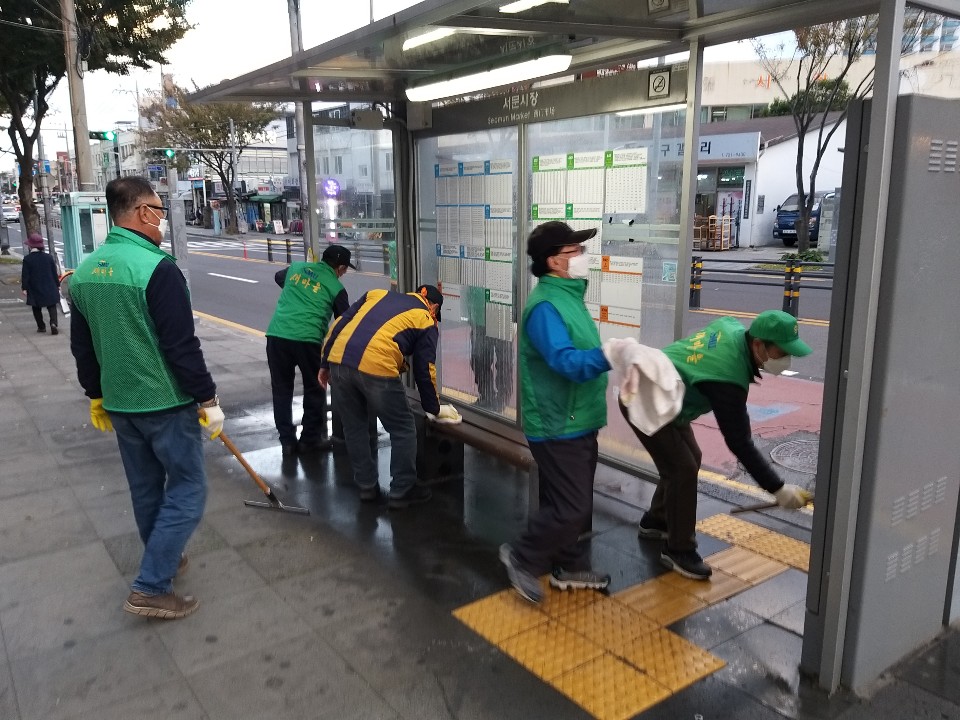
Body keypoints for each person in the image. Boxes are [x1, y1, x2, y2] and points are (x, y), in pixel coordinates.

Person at [69, 176, 223, 620]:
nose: (161, 219)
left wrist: (95, 395)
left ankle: (166, 557)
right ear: (141, 213)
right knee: (189, 488)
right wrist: (207, 399)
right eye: (158, 210)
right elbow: (181, 346)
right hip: (164, 403)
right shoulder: (156, 268)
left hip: (120, 405)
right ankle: (151, 585)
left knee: (145, 488)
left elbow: (83, 346)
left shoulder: (85, 272)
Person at [619, 310, 813, 581]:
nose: (786, 360)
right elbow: (739, 442)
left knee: (690, 458)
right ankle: (678, 550)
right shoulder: (727, 377)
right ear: (758, 345)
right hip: (644, 397)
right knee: (682, 468)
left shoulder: (732, 328)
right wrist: (778, 489)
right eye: (781, 353)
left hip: (666, 396)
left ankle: (657, 520)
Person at [499, 221, 612, 604]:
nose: (583, 257)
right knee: (571, 505)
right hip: (557, 422)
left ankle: (570, 564)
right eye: (574, 251)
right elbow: (565, 362)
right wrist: (609, 355)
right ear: (554, 262)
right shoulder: (546, 306)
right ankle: (523, 557)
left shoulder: (568, 296)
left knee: (567, 502)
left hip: (578, 417)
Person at [319, 284, 459, 509]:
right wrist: (433, 408)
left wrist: (325, 363)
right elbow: (425, 369)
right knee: (403, 428)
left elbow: (340, 324)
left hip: (339, 361)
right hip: (376, 366)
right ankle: (403, 489)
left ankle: (366, 487)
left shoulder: (376, 294)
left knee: (355, 427)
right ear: (434, 307)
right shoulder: (425, 319)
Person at [266, 245, 353, 454]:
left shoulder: (296, 268)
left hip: (277, 335)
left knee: (281, 389)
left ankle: (287, 442)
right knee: (315, 388)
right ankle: (309, 440)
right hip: (308, 339)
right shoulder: (336, 287)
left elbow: (279, 277)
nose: (344, 273)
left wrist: (300, 294)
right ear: (340, 268)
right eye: (345, 269)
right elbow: (345, 320)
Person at [466, 284, 514, 412]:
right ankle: (486, 397)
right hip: (479, 317)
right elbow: (471, 286)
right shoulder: (475, 264)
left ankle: (501, 400)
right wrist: (471, 313)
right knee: (478, 359)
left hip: (502, 316)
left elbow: (515, 281)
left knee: (504, 361)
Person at [20, 233, 60, 334]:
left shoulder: (27, 259)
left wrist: (24, 288)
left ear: (30, 246)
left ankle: (41, 326)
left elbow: (25, 275)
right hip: (49, 285)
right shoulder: (48, 257)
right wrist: (58, 285)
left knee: (36, 307)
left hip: (35, 287)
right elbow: (54, 272)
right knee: (52, 305)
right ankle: (53, 323)